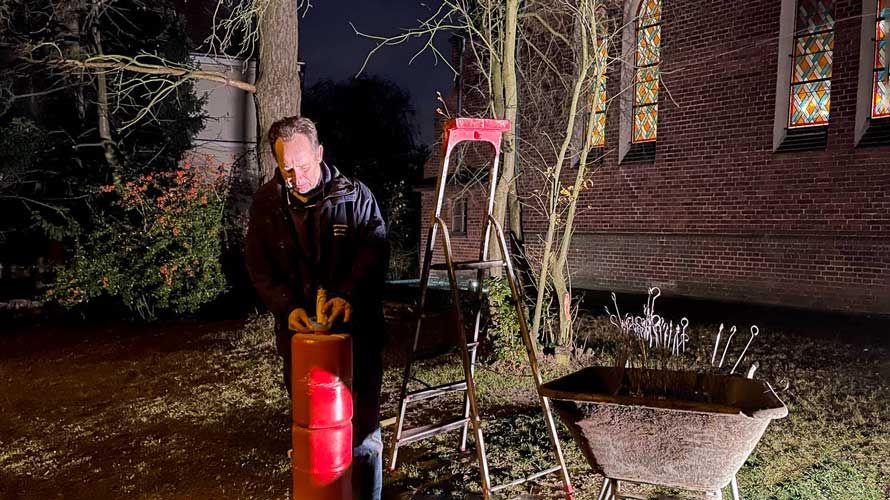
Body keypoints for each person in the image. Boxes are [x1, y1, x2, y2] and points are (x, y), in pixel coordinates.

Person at [245, 116, 388, 499]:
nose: (297, 176)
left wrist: (348, 295)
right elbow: (259, 267)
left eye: (304, 166)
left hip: (358, 339)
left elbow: (375, 253)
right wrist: (286, 307)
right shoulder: (266, 204)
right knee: (314, 433)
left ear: (320, 153)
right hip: (302, 343)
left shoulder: (355, 198)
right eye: (286, 168)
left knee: (363, 437)